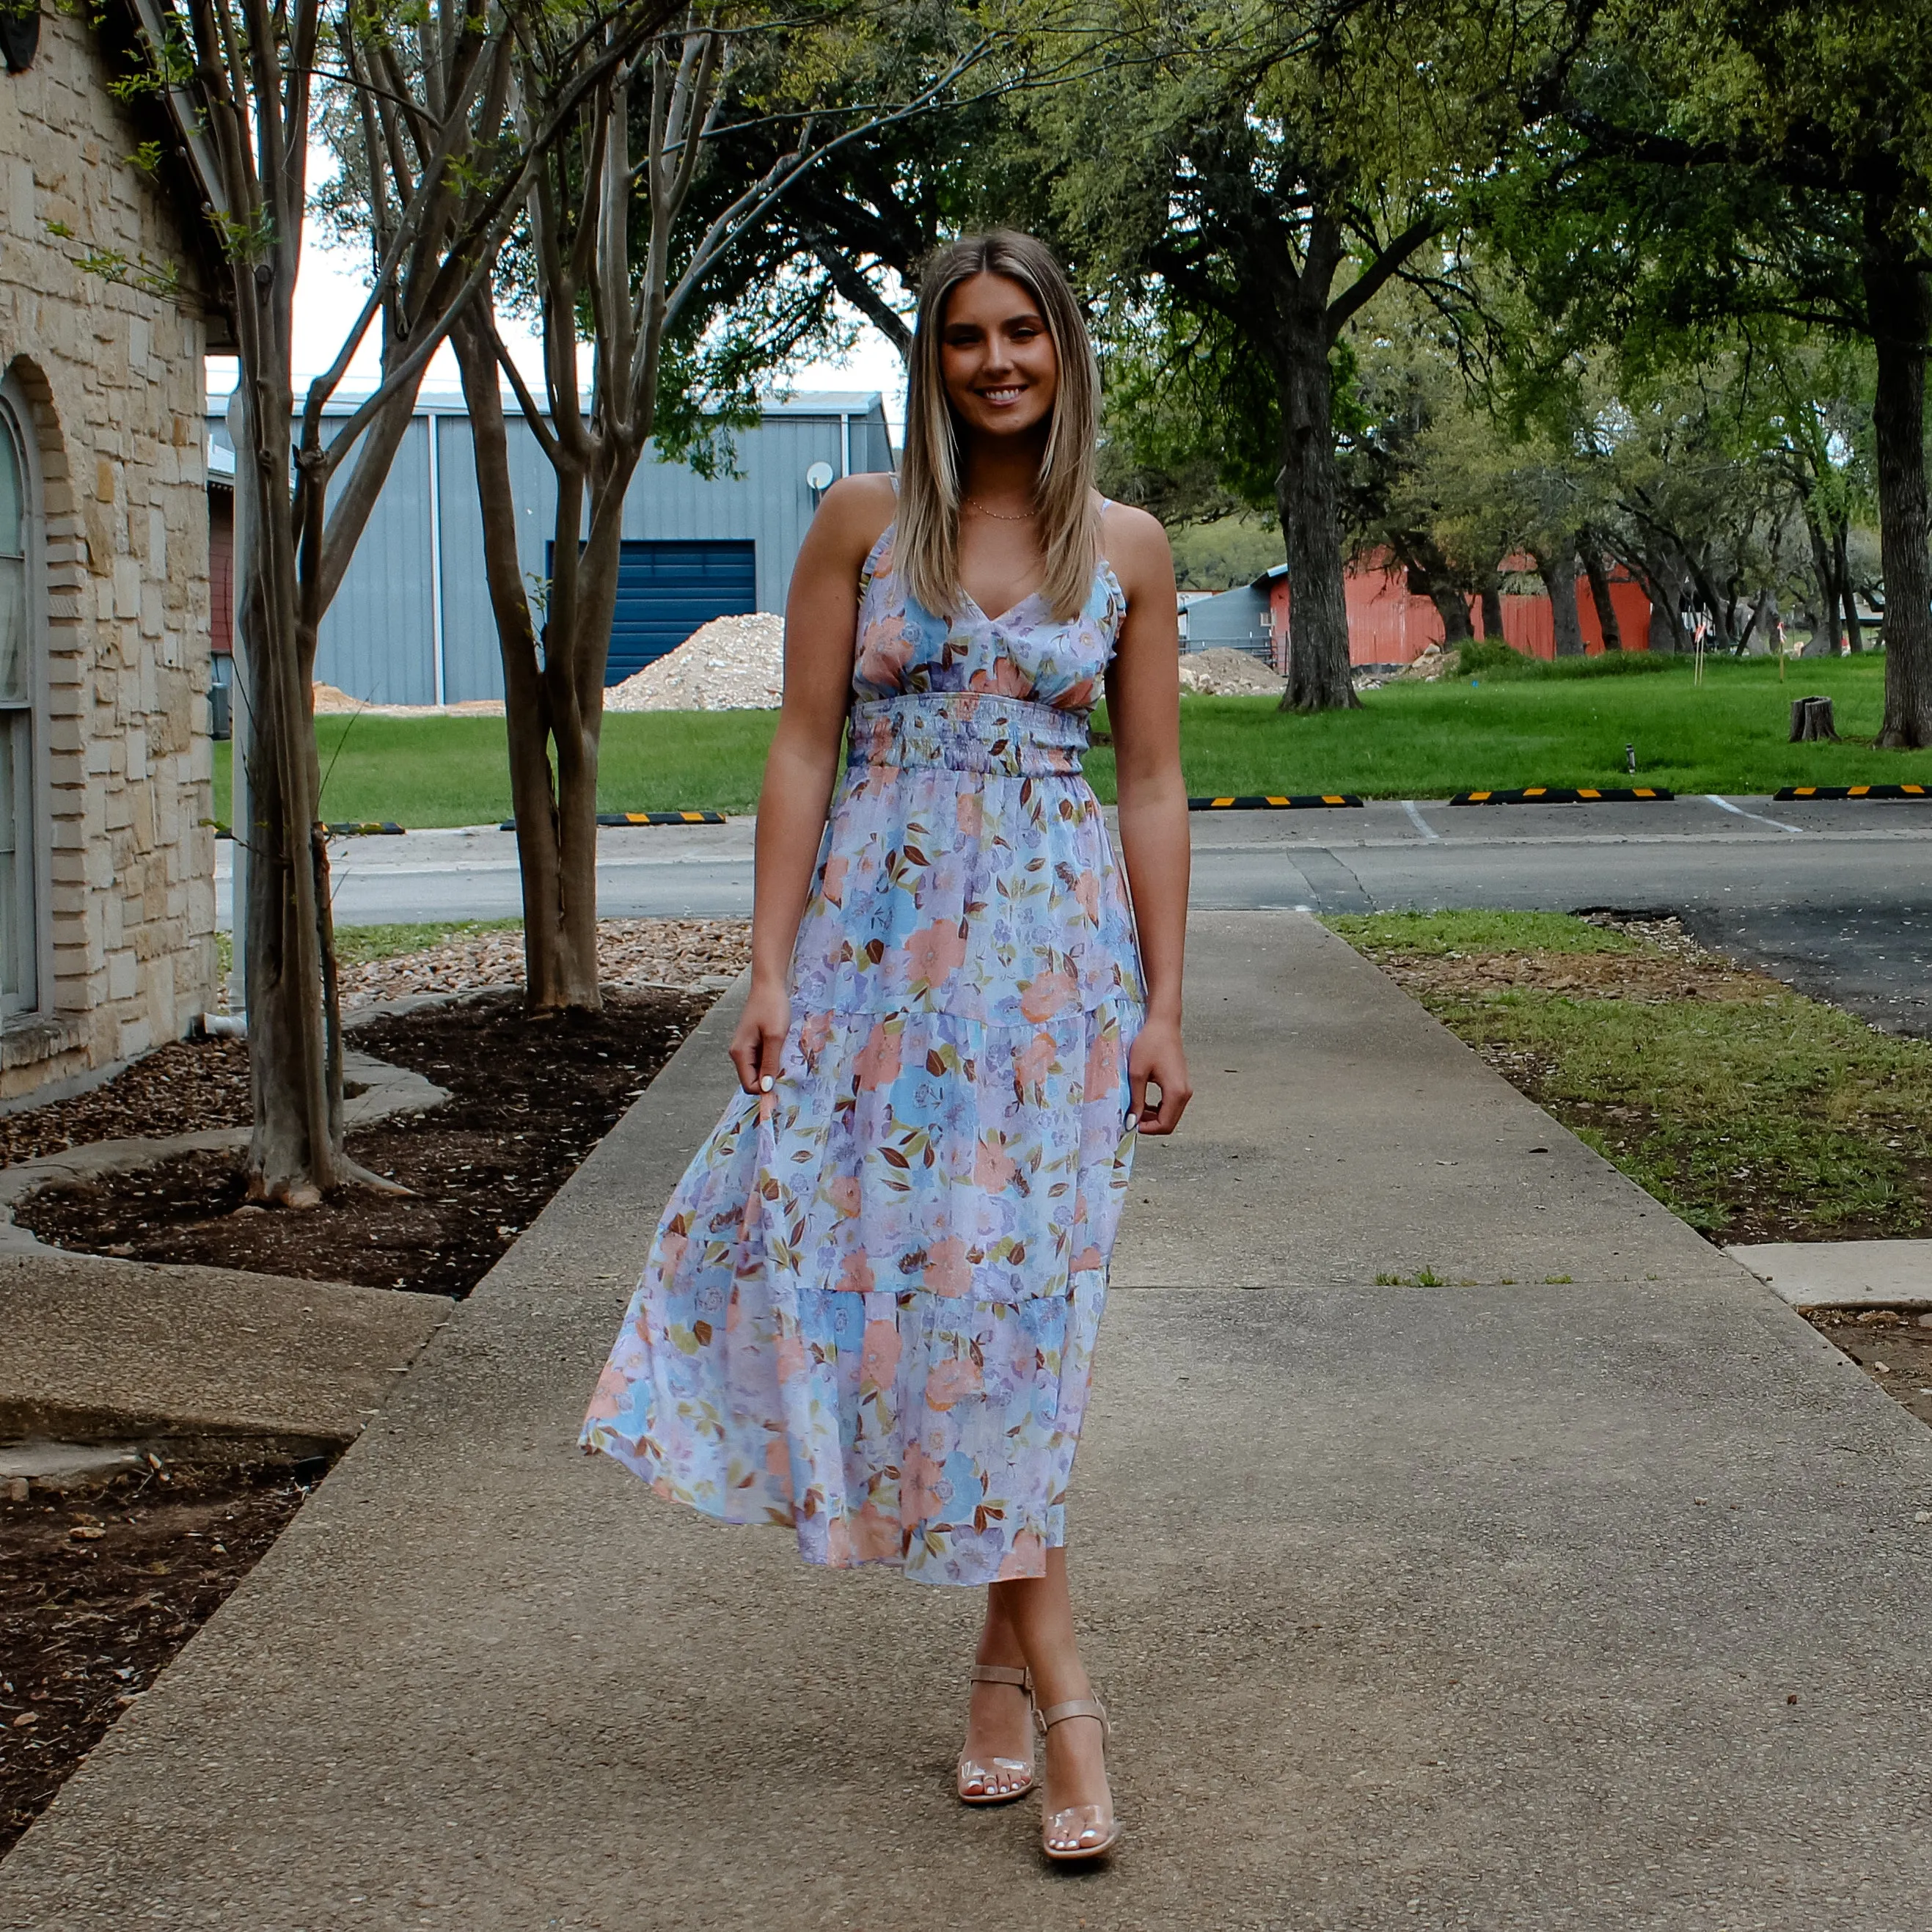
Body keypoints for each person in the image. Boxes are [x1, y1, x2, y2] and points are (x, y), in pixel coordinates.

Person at [580, 230, 1191, 1865]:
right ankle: (1055, 1675)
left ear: (1065, 348)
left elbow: (1150, 784)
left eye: (1024, 335)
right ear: (932, 360)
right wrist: (765, 969)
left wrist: (1165, 1001)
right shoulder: (862, 524)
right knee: (925, 1301)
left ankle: (1020, 1672)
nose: (997, 362)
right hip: (875, 972)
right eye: (966, 338)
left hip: (1054, 981)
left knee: (1019, 1315)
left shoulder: (1125, 547)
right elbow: (800, 745)